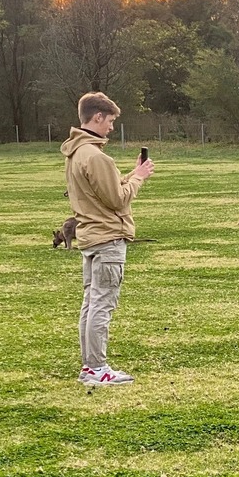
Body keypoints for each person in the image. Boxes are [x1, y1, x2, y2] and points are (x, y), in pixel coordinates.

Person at [61, 92, 155, 387]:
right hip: (107, 240)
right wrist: (139, 178)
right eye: (110, 121)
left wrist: (131, 173)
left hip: (91, 238)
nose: (112, 127)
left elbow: (102, 193)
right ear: (97, 117)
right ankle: (97, 367)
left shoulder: (77, 153)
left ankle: (90, 366)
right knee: (102, 304)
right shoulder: (97, 156)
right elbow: (117, 200)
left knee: (91, 303)